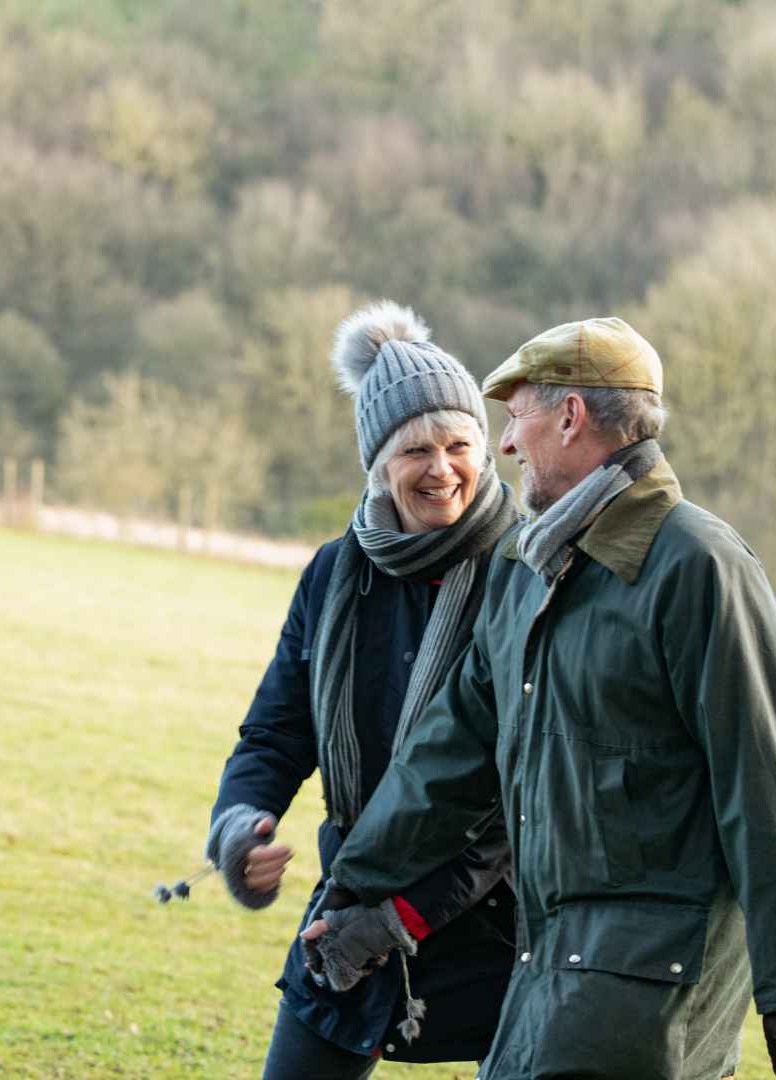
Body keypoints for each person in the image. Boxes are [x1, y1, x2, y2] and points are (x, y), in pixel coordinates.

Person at [315, 317, 776, 1079]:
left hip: (656, 979)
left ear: (570, 417)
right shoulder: (525, 564)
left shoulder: (697, 564)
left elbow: (770, 781)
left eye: (516, 416)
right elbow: (449, 753)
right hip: (547, 958)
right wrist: (354, 889)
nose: (504, 445)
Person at [205, 301, 522, 1079]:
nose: (442, 469)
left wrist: (397, 918)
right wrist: (240, 825)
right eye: (416, 449)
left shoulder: (525, 576)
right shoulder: (334, 574)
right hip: (354, 901)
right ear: (378, 463)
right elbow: (277, 732)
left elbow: (515, 796)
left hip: (497, 920)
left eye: (459, 445)